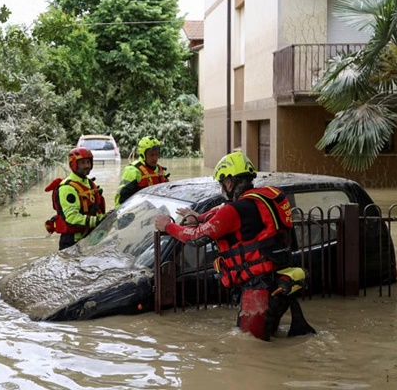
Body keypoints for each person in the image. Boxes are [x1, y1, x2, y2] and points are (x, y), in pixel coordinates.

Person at [154, 151, 315, 341]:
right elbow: (222, 213)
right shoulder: (262, 199)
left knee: (250, 350)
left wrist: (168, 226)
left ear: (229, 183)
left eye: (222, 184)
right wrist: (200, 216)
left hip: (258, 291)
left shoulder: (235, 210)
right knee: (266, 340)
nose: (222, 189)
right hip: (279, 282)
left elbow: (196, 238)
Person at [44, 147, 106, 250]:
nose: (87, 166)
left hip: (90, 238)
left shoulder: (90, 184)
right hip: (72, 241)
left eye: (88, 162)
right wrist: (98, 221)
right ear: (73, 164)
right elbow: (71, 218)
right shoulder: (67, 188)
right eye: (82, 163)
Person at [114, 136, 169, 208]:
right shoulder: (132, 171)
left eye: (157, 154)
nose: (155, 158)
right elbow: (121, 199)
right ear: (143, 154)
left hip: (155, 211)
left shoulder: (160, 171)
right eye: (151, 155)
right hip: (137, 212)